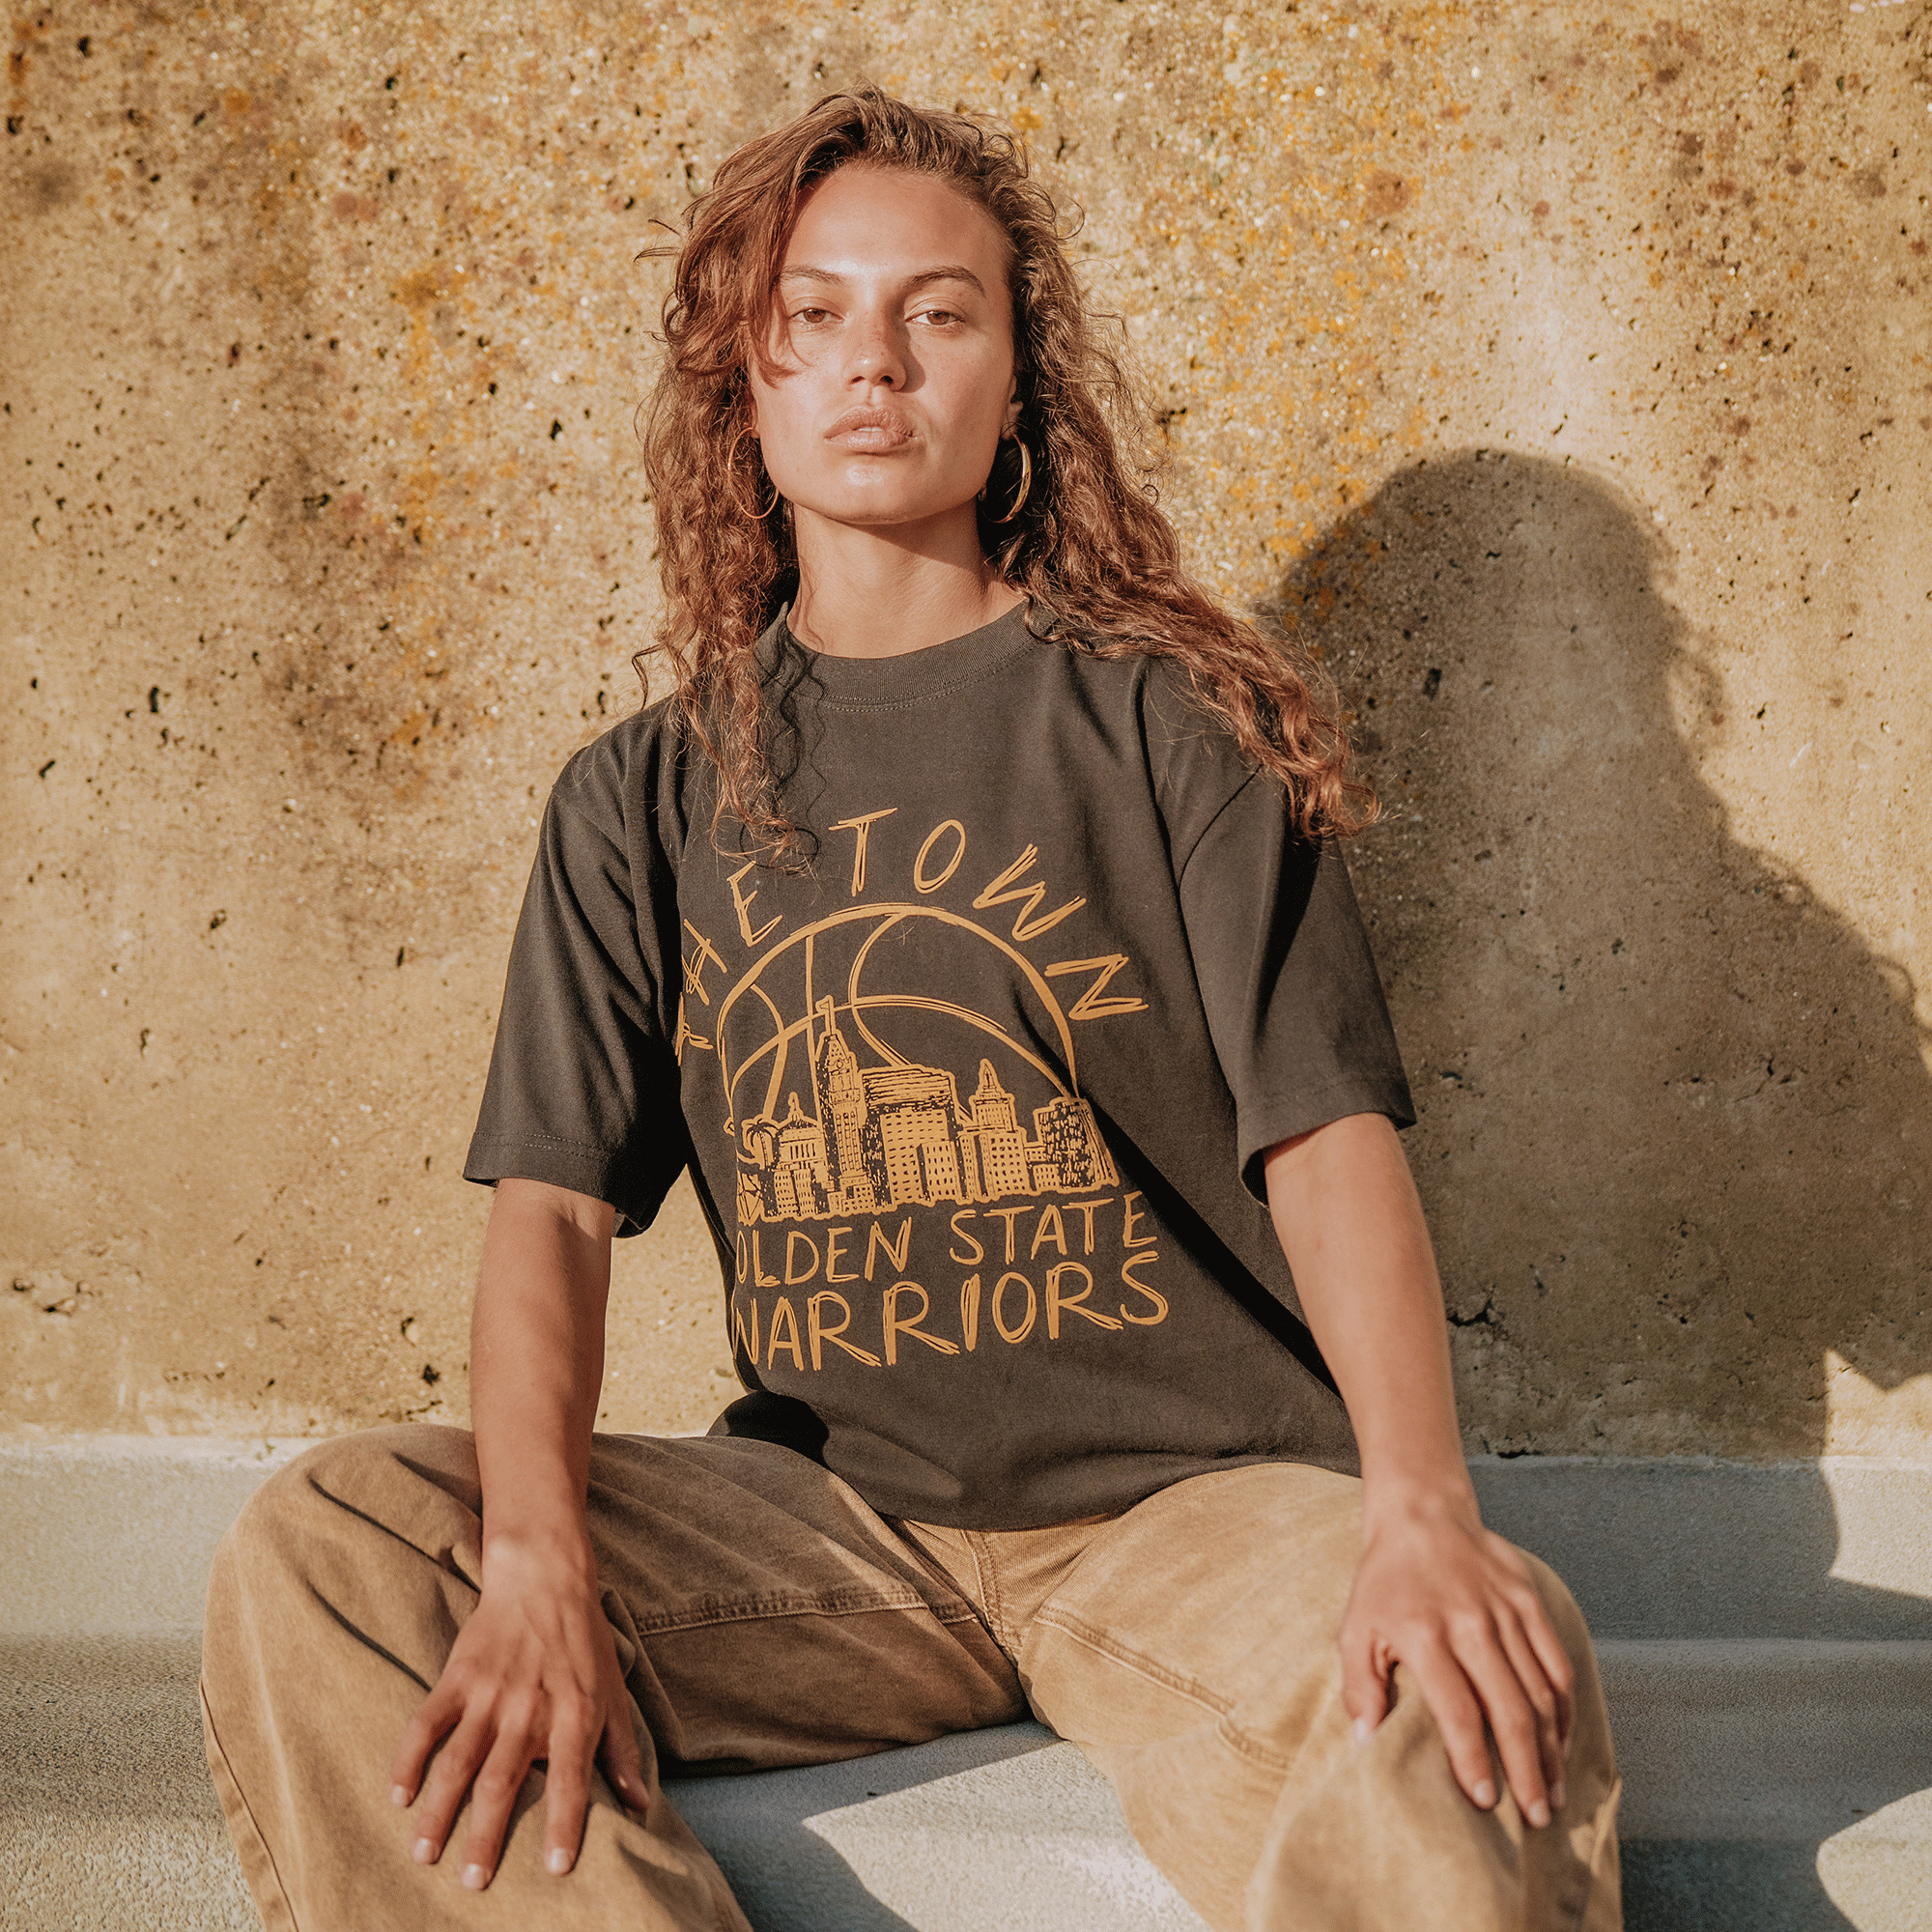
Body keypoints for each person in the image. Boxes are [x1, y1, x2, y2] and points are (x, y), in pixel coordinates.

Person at [200, 87, 1621, 1932]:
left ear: (1017, 379)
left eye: (938, 313)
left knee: (1486, 1670)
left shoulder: (1163, 726)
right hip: (829, 1537)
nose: (875, 362)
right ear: (749, 383)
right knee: (335, 1549)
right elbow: (549, 1213)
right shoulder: (639, 795)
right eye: (815, 316)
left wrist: (1420, 1508)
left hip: (1186, 1516)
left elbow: (1324, 1135)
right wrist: (541, 1564)